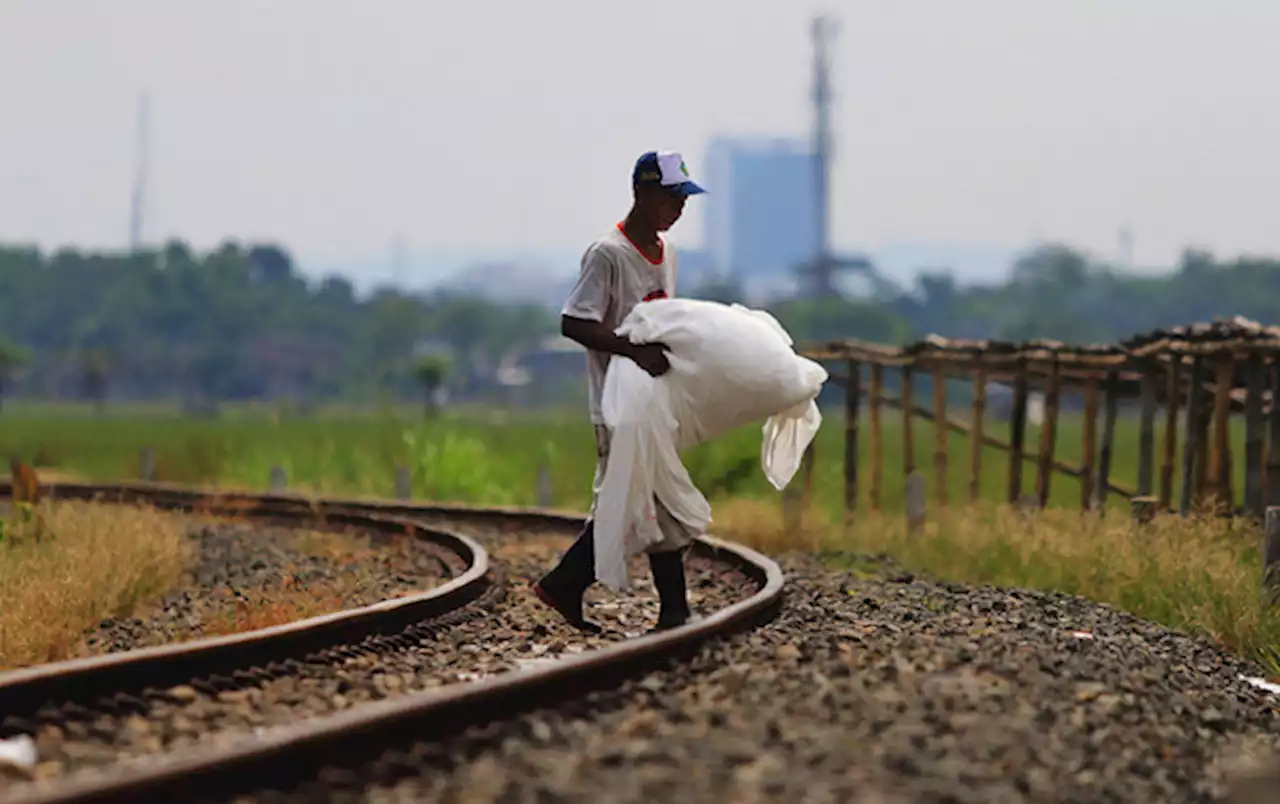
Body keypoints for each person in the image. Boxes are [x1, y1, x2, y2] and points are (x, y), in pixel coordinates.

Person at [532, 150, 707, 634]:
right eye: (672, 197)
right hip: (616, 403)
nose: (679, 208)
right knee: (637, 501)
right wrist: (632, 352)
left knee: (650, 501)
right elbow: (574, 322)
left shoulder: (667, 252)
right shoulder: (608, 254)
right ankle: (574, 587)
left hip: (654, 400)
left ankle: (663, 609)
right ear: (641, 193)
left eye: (683, 199)